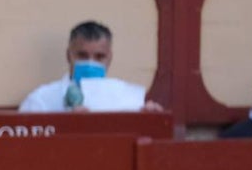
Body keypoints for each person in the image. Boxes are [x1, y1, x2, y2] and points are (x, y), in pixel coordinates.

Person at [18, 21, 160, 113]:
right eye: (82, 55)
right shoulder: (41, 100)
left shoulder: (128, 98)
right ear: (69, 56)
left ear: (109, 58)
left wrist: (152, 119)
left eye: (99, 57)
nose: (90, 63)